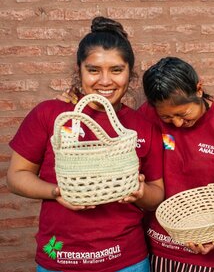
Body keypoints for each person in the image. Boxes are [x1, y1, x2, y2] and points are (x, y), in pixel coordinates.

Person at [7, 16, 165, 272]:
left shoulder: (141, 126)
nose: (105, 81)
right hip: (61, 258)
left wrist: (141, 193)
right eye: (93, 70)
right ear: (79, 70)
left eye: (116, 70)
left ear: (130, 72)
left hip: (126, 260)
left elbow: (157, 194)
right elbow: (16, 177)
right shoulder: (51, 115)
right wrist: (57, 193)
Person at [139, 56, 214, 272]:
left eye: (183, 114)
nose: (177, 123)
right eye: (167, 118)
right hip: (154, 245)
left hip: (204, 249)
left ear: (199, 89)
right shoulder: (147, 115)